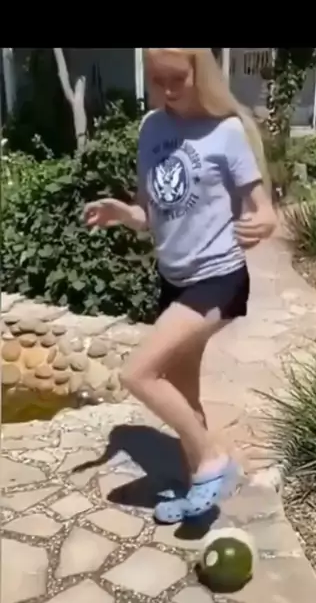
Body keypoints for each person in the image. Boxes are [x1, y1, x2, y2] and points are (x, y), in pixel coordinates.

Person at [83, 48, 277, 524]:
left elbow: (264, 210)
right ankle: (200, 491)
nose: (167, 90)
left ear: (199, 74)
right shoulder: (152, 129)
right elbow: (149, 214)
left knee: (138, 373)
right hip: (174, 278)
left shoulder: (226, 132)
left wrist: (264, 223)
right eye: (157, 80)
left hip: (218, 277)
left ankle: (213, 458)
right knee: (185, 396)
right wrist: (124, 214)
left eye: (177, 79)